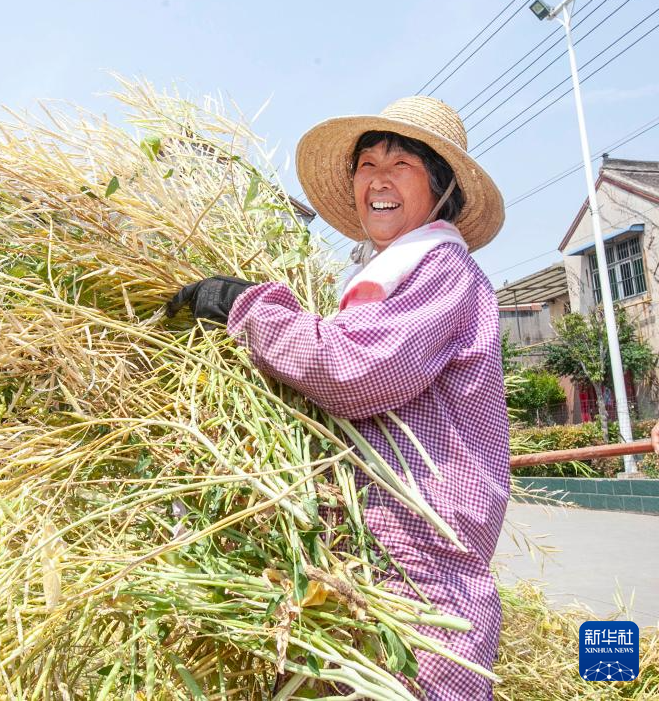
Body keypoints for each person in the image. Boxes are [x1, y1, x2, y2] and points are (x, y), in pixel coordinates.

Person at [168, 96, 509, 699]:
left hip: (418, 580)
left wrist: (244, 306)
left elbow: (355, 369)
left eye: (401, 164)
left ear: (441, 184)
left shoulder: (440, 270)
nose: (377, 178)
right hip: (359, 566)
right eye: (365, 165)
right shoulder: (385, 276)